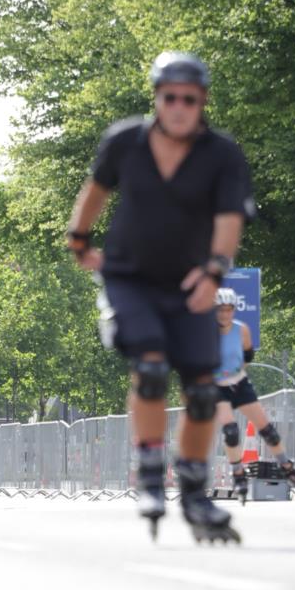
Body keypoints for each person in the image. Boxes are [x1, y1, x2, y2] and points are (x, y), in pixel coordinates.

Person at [67, 51, 255, 542]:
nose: (178, 107)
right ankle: (150, 475)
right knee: (150, 368)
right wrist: (79, 239)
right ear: (157, 98)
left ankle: (194, 490)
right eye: (169, 97)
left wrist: (215, 271)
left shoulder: (222, 154)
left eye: (188, 99)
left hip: (189, 282)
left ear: (202, 102)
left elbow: (229, 219)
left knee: (201, 390)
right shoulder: (125, 142)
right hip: (130, 277)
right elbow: (96, 189)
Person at [214, 288, 295, 503]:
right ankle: (238, 473)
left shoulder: (242, 330)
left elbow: (247, 354)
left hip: (239, 383)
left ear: (233, 310)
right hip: (217, 387)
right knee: (230, 431)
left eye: (228, 310)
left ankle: (288, 468)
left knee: (269, 432)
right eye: (220, 310)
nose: (224, 314)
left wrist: (236, 371)